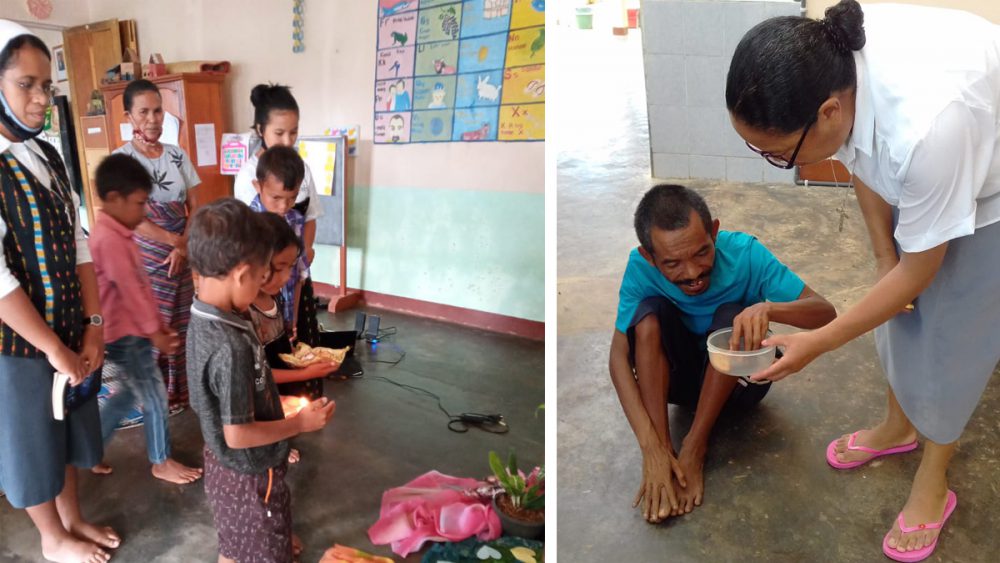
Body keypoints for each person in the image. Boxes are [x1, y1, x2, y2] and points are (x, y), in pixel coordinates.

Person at [726, 1, 1000, 560]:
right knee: (893, 308)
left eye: (778, 155)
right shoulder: (836, 68)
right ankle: (897, 428)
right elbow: (864, 158)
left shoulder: (930, 129)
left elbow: (921, 268)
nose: (771, 160)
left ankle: (933, 478)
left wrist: (818, 343)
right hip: (930, 158)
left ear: (827, 111)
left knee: (953, 338)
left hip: (989, 178)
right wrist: (883, 256)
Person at [609, 185, 836, 523]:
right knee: (647, 317)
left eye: (702, 252)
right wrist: (650, 448)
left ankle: (693, 447)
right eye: (671, 263)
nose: (692, 273)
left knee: (731, 314)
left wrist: (769, 308)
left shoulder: (746, 254)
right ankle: (665, 451)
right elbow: (617, 358)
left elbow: (825, 312)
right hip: (680, 384)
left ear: (714, 231)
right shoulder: (639, 268)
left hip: (740, 385)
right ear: (649, 256)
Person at [0, 20, 119, 563]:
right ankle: (51, 540)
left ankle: (73, 520)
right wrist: (51, 347)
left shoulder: (46, 155)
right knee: (32, 443)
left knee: (67, 421)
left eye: (47, 85)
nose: (41, 98)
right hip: (19, 344)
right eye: (26, 84)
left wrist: (93, 325)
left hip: (70, 327)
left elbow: (79, 245)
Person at [186, 198, 335, 563]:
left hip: (224, 470)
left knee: (238, 543)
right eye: (261, 274)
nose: (267, 283)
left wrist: (270, 404)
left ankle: (271, 539)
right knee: (264, 551)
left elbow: (212, 399)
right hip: (251, 473)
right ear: (241, 274)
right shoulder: (231, 344)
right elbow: (238, 435)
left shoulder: (203, 317)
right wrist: (298, 422)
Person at [87, 153, 203, 484]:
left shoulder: (119, 233)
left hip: (130, 330)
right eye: (139, 204)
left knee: (126, 395)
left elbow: (140, 287)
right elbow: (131, 292)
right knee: (153, 393)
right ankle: (160, 460)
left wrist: (156, 324)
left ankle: (89, 451)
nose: (144, 212)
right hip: (127, 334)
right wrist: (155, 333)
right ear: (113, 200)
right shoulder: (109, 239)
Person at [113, 78, 200, 411]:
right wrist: (173, 242)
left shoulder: (178, 156)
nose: (153, 119)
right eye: (144, 112)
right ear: (129, 117)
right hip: (146, 257)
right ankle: (151, 396)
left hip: (183, 250)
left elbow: (195, 202)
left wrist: (183, 246)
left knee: (181, 323)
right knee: (152, 323)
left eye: (158, 110)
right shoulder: (123, 160)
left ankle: (179, 392)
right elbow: (132, 217)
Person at [233, 83, 323, 346]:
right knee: (269, 346)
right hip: (264, 277)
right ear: (261, 130)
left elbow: (310, 217)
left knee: (300, 339)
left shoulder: (301, 168)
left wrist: (303, 254)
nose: (287, 141)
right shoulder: (249, 175)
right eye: (279, 133)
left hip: (294, 273)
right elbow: (247, 232)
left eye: (293, 132)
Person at [250, 211, 338, 401]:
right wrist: (305, 374)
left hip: (287, 398)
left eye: (291, 267)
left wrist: (307, 359)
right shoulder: (244, 315)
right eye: (281, 267)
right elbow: (253, 375)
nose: (288, 277)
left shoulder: (275, 298)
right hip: (264, 404)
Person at [249, 145, 320, 348]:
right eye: (276, 198)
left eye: (292, 198)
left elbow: (298, 275)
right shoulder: (247, 225)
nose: (283, 207)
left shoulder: (296, 221)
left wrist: (293, 318)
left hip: (286, 313)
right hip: (255, 323)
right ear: (258, 186)